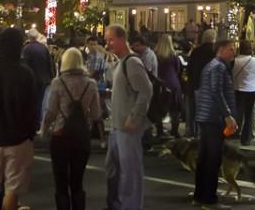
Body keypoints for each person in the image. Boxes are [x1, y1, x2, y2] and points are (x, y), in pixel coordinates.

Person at [0, 28, 38, 210]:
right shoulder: (25, 72)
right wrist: (30, 133)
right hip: (18, 139)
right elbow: (32, 107)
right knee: (13, 189)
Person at [42, 46, 101, 210]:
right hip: (81, 136)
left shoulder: (58, 83)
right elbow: (96, 113)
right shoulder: (91, 83)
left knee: (61, 183)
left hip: (60, 135)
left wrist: (44, 130)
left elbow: (51, 112)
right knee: (77, 182)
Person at [104, 24, 152, 210]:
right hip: (117, 127)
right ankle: (116, 203)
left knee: (130, 172)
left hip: (127, 127)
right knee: (113, 168)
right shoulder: (122, 62)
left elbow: (146, 91)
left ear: (122, 39)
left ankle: (130, 206)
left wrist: (134, 117)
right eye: (107, 40)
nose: (108, 44)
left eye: (111, 39)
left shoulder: (131, 62)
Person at [193, 37, 238, 209]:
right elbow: (216, 91)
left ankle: (200, 195)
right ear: (222, 49)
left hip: (206, 115)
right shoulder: (218, 67)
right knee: (213, 158)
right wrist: (227, 115)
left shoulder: (211, 66)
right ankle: (209, 199)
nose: (233, 52)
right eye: (231, 49)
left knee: (204, 158)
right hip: (213, 117)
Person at [185, 28, 217, 137]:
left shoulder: (196, 51)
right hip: (212, 86)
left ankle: (195, 132)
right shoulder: (216, 51)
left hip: (197, 84)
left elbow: (189, 69)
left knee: (196, 110)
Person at [22, 28, 55, 125]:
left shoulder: (26, 49)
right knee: (41, 102)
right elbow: (50, 64)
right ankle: (38, 120)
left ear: (29, 37)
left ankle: (33, 121)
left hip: (31, 80)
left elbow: (25, 65)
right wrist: (51, 76)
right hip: (44, 79)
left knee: (31, 101)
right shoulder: (44, 48)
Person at [231, 39, 255, 145]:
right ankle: (246, 138)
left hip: (238, 89)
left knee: (238, 113)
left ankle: (235, 133)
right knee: (249, 115)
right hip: (252, 90)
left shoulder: (234, 61)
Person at [155, 34, 182, 138]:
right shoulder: (174, 56)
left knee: (158, 109)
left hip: (160, 83)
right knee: (175, 109)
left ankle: (160, 131)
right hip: (173, 83)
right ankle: (174, 130)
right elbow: (177, 69)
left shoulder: (156, 55)